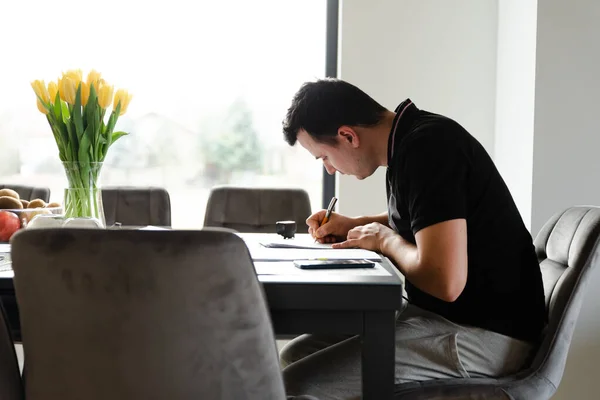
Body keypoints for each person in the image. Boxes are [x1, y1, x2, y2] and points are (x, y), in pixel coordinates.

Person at [279, 78, 546, 400]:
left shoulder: (429, 148)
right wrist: (357, 224)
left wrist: (384, 240)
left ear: (347, 135)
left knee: (298, 384)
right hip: (451, 318)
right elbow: (427, 220)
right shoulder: (411, 140)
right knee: (295, 355)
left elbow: (444, 280)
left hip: (485, 333)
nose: (330, 170)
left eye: (323, 157)